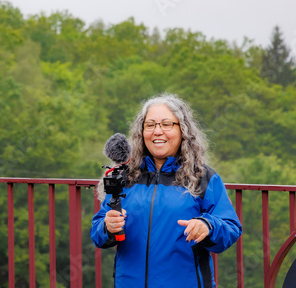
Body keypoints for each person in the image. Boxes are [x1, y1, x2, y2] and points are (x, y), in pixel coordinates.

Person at [90, 93, 242, 288]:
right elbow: (98, 232)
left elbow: (230, 227)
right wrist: (107, 227)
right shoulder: (124, 177)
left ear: (183, 130)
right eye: (150, 125)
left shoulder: (203, 177)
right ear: (141, 132)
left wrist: (208, 225)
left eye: (167, 124)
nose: (157, 131)